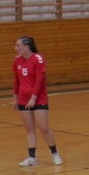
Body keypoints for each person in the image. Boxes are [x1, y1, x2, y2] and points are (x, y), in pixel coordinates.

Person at [12, 36, 62, 167]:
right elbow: (16, 80)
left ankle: (55, 154)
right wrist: (15, 97)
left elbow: (40, 80)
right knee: (29, 129)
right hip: (23, 99)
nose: (16, 48)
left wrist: (33, 98)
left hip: (39, 99)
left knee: (44, 128)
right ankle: (32, 158)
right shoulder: (17, 60)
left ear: (26, 46)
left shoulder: (38, 59)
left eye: (18, 45)